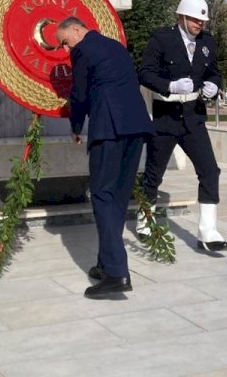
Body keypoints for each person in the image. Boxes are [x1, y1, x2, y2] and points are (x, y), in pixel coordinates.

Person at [56, 16, 155, 298]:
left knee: (102, 195)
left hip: (109, 130)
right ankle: (105, 262)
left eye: (65, 42)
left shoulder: (83, 51)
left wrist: (75, 126)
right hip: (136, 127)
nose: (66, 50)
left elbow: (80, 94)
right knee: (118, 198)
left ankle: (116, 273)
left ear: (77, 30)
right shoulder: (115, 46)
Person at [138, 0, 227, 253]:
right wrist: (170, 86)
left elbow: (213, 70)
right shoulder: (161, 39)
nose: (199, 24)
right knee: (154, 173)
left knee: (210, 171)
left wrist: (214, 84)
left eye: (202, 20)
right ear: (181, 16)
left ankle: (207, 230)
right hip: (166, 115)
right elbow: (144, 73)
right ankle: (145, 219)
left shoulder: (208, 42)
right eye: (194, 19)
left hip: (194, 116)